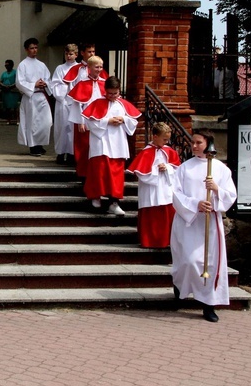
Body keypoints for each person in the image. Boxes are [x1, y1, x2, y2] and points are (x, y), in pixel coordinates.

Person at [171, 129, 237, 323]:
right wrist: (196, 204)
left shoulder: (220, 169)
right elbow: (175, 193)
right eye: (192, 142)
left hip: (209, 223)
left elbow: (230, 195)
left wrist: (216, 190)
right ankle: (180, 287)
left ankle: (208, 304)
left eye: (198, 142)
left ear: (208, 143)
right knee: (188, 261)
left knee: (210, 263)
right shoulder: (184, 168)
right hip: (189, 222)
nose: (193, 146)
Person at [81, 76, 140, 216]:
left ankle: (114, 202)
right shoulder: (97, 103)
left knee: (116, 175)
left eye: (116, 93)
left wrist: (123, 119)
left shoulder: (122, 104)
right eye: (110, 93)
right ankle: (96, 197)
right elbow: (90, 123)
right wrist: (107, 121)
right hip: (101, 143)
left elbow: (134, 121)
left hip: (118, 143)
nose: (113, 96)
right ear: (105, 91)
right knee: (99, 171)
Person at [127, 122, 181, 248]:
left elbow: (177, 169)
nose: (166, 142)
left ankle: (167, 241)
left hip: (166, 188)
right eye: (164, 139)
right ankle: (150, 241)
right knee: (152, 215)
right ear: (155, 136)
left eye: (168, 139)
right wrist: (156, 170)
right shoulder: (146, 152)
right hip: (151, 188)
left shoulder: (170, 151)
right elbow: (142, 173)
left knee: (167, 214)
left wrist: (167, 167)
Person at [67, 55, 106, 180]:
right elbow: (77, 104)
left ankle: (96, 173)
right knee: (84, 148)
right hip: (85, 120)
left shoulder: (105, 83)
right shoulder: (82, 83)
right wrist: (80, 122)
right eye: (96, 67)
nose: (99, 69)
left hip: (100, 121)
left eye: (101, 67)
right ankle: (83, 174)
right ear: (89, 67)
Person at [15, 38, 52, 156]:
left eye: (36, 47)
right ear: (26, 50)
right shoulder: (23, 65)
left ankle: (40, 143)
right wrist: (33, 85)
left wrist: (45, 83)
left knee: (46, 122)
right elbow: (20, 82)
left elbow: (48, 79)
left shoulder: (42, 65)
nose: (34, 50)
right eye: (32, 48)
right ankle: (33, 146)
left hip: (42, 96)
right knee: (32, 122)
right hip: (31, 97)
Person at [50, 44, 80, 165]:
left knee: (73, 129)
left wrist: (72, 86)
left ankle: (72, 154)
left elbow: (82, 84)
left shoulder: (80, 68)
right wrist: (65, 87)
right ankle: (61, 153)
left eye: (71, 54)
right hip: (62, 102)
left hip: (75, 103)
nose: (68, 56)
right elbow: (54, 84)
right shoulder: (60, 68)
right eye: (67, 54)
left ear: (76, 55)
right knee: (61, 128)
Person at [0, 59, 20, 125]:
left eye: (8, 65)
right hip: (6, 91)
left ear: (11, 65)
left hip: (13, 91)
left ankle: (17, 120)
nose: (6, 66)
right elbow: (0, 81)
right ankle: (8, 120)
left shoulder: (15, 72)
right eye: (5, 65)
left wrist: (11, 86)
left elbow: (17, 81)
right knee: (7, 107)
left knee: (15, 107)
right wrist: (4, 85)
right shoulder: (4, 73)